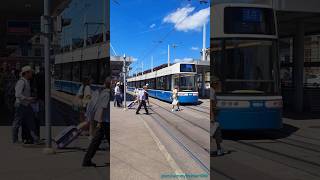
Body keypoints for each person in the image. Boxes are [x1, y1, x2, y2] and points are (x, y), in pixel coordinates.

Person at [82, 77, 110, 167]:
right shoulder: (107, 94)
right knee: (96, 142)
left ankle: (86, 160)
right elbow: (102, 108)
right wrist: (99, 122)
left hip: (103, 121)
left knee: (96, 142)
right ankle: (86, 160)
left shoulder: (102, 92)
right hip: (105, 122)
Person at [12, 66, 41, 144]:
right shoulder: (21, 82)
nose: (32, 74)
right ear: (26, 73)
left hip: (26, 105)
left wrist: (30, 100)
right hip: (20, 105)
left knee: (31, 122)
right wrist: (28, 99)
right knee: (17, 122)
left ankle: (35, 139)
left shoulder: (26, 81)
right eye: (31, 72)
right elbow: (17, 94)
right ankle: (15, 140)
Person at [210, 79, 225, 156]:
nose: (219, 85)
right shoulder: (212, 91)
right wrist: (212, 117)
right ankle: (219, 149)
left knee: (216, 132)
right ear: (214, 84)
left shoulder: (212, 90)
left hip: (213, 116)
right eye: (218, 84)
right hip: (212, 117)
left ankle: (219, 149)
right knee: (213, 133)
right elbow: (211, 105)